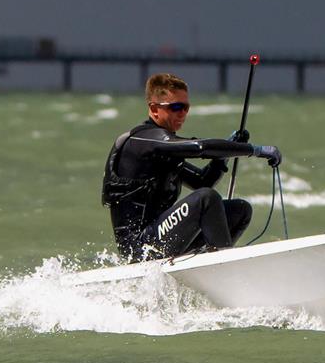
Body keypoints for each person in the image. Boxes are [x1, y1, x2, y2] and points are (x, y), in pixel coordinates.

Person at [101, 73, 281, 262]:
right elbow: (200, 148)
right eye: (176, 107)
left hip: (161, 236)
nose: (182, 114)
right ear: (154, 109)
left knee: (240, 210)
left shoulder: (162, 152)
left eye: (186, 107)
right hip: (140, 248)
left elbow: (203, 181)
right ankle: (224, 266)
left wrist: (225, 155)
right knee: (206, 198)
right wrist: (255, 150)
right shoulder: (143, 140)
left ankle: (207, 265)